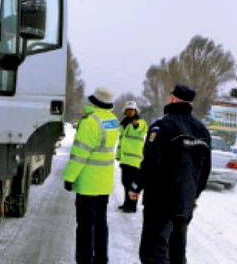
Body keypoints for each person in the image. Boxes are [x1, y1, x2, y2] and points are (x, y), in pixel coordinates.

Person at [128, 84, 212, 264]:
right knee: (177, 251)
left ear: (172, 99)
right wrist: (193, 195)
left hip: (160, 200)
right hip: (185, 201)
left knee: (154, 253)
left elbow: (151, 161)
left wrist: (136, 186)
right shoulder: (202, 131)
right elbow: (205, 171)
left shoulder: (163, 126)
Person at [63, 87, 121, 264]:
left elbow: (80, 154)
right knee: (101, 223)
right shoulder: (113, 120)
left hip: (88, 183)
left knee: (86, 226)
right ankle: (101, 259)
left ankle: (84, 260)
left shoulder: (90, 122)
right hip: (104, 182)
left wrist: (69, 177)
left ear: (94, 101)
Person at [115, 101, 148, 213]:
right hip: (125, 160)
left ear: (135, 111)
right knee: (125, 183)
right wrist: (118, 156)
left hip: (135, 160)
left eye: (132, 110)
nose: (130, 112)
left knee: (133, 185)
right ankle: (126, 203)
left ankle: (132, 206)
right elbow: (121, 141)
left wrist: (136, 125)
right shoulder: (123, 123)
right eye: (128, 110)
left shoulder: (140, 122)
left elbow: (141, 129)